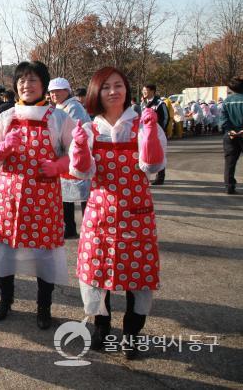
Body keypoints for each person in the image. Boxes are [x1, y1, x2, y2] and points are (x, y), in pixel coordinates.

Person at [69, 66, 166, 360]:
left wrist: (148, 136)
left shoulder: (143, 124)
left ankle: (132, 334)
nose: (113, 91)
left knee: (137, 278)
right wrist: (79, 150)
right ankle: (102, 326)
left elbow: (153, 168)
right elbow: (81, 173)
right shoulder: (89, 129)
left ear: (127, 90)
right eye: (107, 87)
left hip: (136, 213)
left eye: (119, 85)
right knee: (99, 274)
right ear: (97, 92)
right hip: (99, 213)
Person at [0, 60, 75, 329]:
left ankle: (43, 307)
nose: (27, 85)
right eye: (22, 80)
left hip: (44, 197)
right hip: (9, 196)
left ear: (43, 85)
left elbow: (76, 155)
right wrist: (1, 150)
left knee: (43, 255)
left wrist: (59, 165)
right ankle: (5, 300)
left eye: (33, 80)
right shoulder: (6, 117)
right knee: (6, 252)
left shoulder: (58, 118)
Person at [48, 77, 92, 239]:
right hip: (66, 155)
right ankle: (70, 227)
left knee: (83, 194)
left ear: (67, 91)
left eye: (58, 90)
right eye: (52, 91)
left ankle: (88, 227)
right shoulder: (61, 107)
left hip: (76, 155)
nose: (54, 94)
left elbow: (76, 132)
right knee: (66, 194)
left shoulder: (73, 107)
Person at [141, 84, 168, 185]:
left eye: (146, 91)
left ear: (152, 91)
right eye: (143, 91)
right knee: (146, 154)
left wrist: (161, 131)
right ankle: (145, 176)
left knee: (160, 154)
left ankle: (160, 177)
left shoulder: (160, 103)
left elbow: (165, 118)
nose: (144, 93)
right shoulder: (144, 103)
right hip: (146, 134)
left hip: (158, 134)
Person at [221, 77, 243, 195]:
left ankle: (229, 186)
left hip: (230, 136)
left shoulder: (226, 101)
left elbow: (223, 119)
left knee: (230, 162)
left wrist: (230, 131)